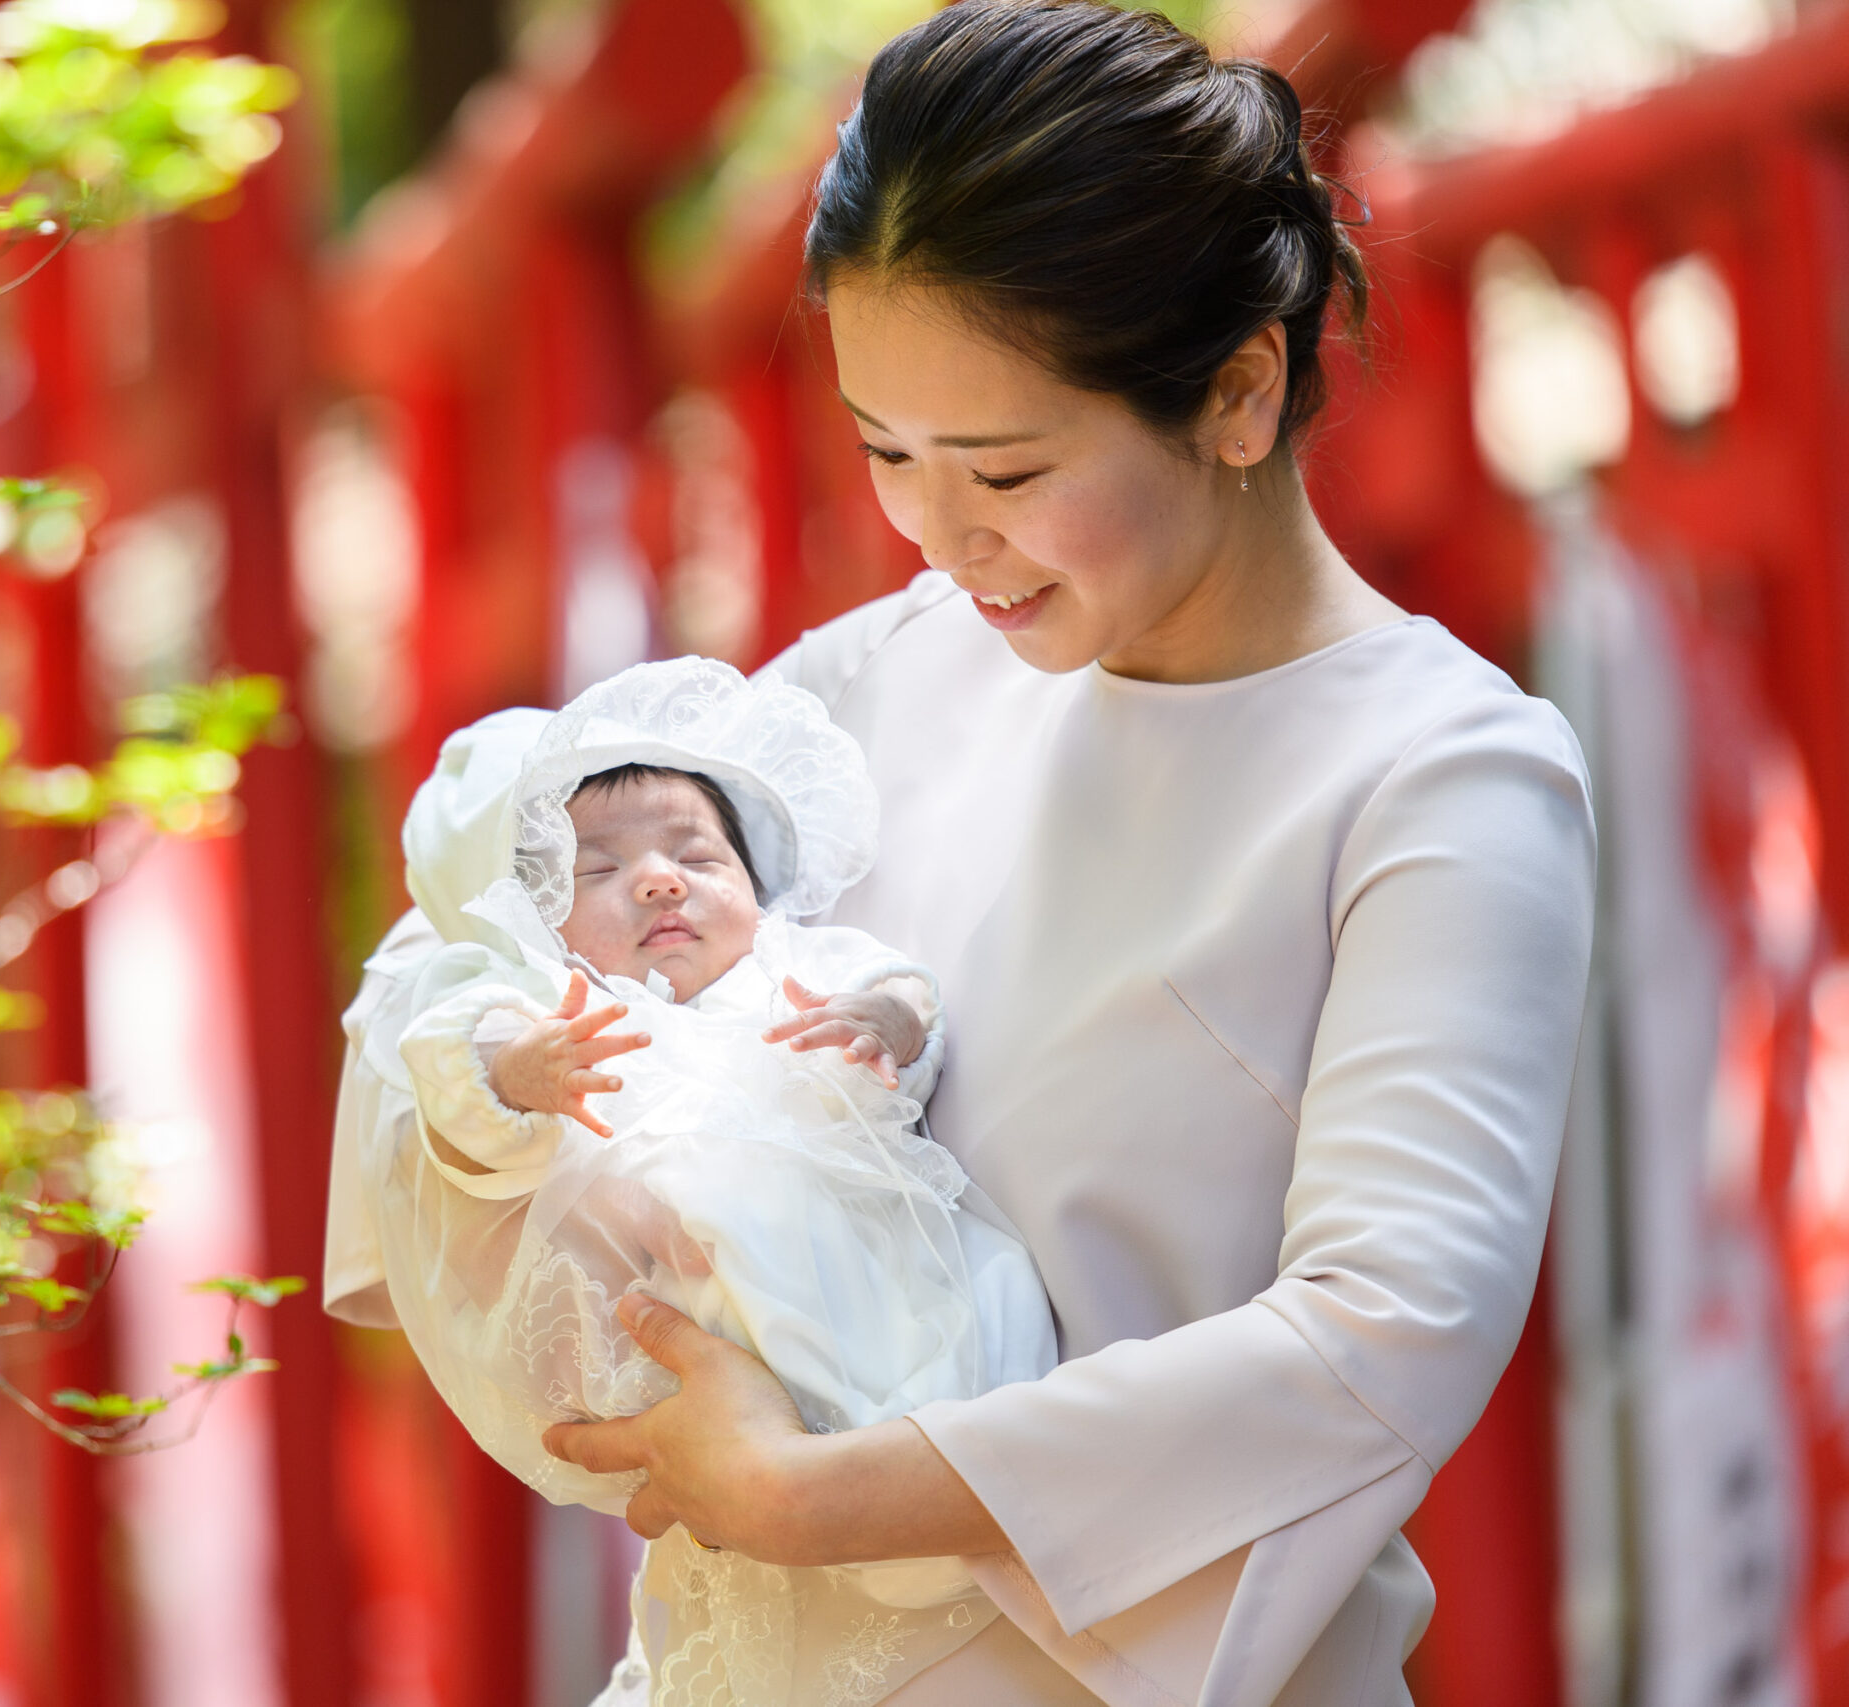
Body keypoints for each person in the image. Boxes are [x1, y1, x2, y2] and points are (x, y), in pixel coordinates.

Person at [328, 1, 1597, 1700]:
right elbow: (479, 953)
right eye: (885, 455)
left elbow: (1383, 1333)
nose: (935, 534)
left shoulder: (1441, 776)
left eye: (1004, 465)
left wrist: (807, 1492)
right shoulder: (854, 694)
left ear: (1239, 391)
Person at [346, 658, 1055, 1706]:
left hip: (887, 1240)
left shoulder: (788, 966)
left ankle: (936, 1483)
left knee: (995, 1305)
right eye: (599, 870)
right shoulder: (559, 1004)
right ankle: (864, 1499)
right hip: (715, 1284)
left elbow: (904, 990)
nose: (663, 880)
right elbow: (453, 1056)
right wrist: (520, 1068)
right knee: (765, 1334)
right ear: (529, 918)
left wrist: (890, 1023)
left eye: (698, 856)